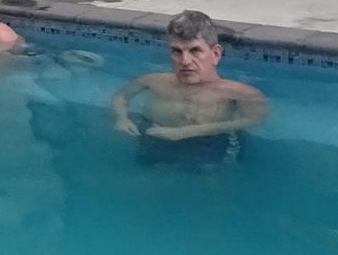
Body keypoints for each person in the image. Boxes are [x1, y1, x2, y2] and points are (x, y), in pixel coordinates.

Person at [111, 9, 268, 169]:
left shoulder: (238, 93)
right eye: (177, 51)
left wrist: (188, 132)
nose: (185, 61)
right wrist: (121, 118)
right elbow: (122, 96)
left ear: (215, 54)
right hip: (154, 140)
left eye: (195, 50)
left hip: (205, 146)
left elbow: (255, 119)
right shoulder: (153, 81)